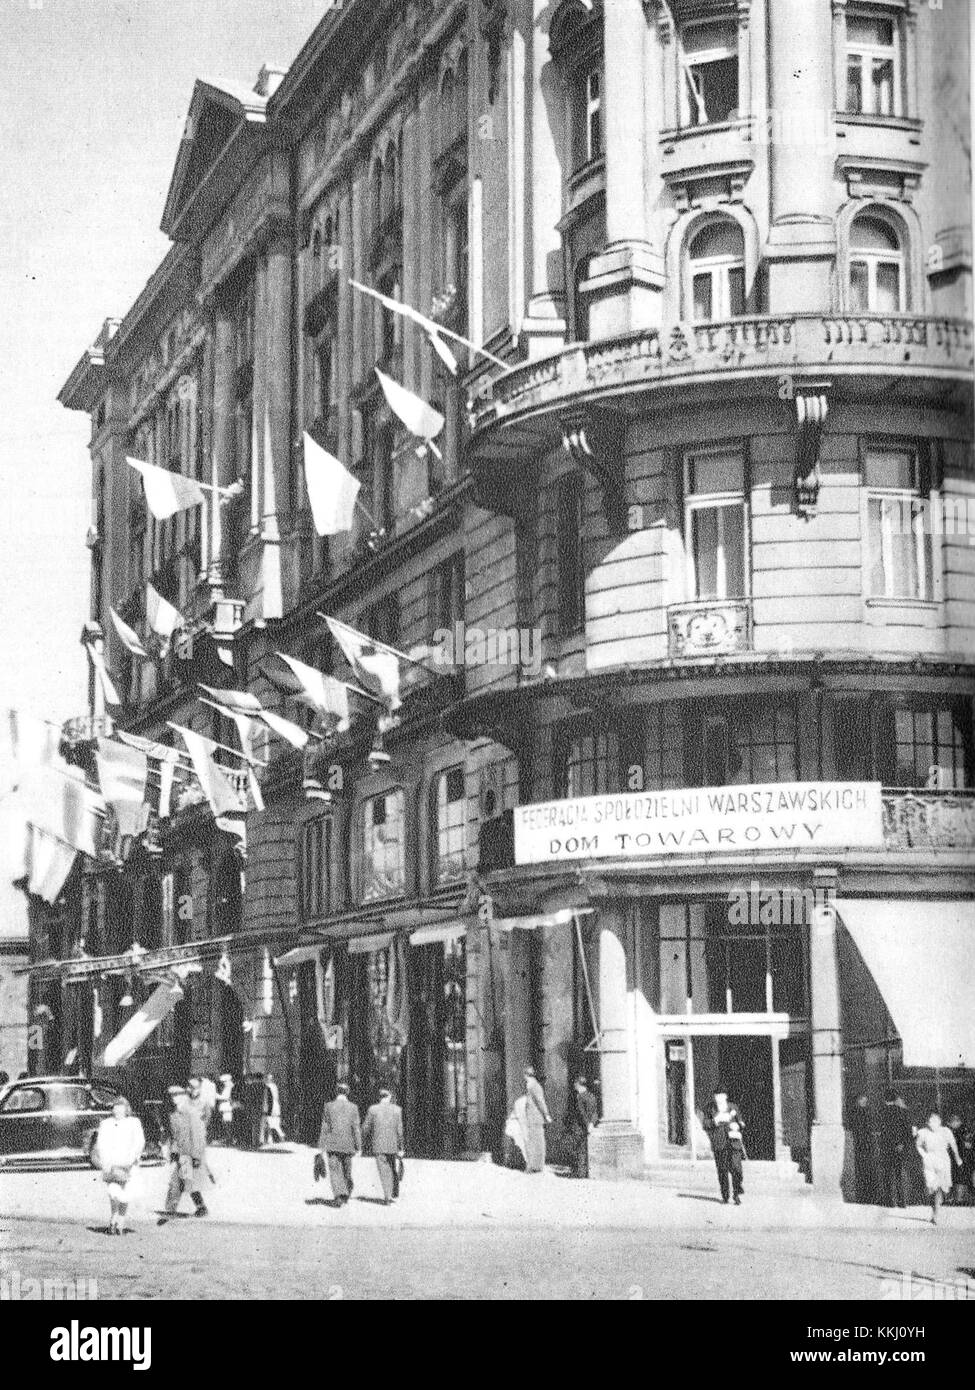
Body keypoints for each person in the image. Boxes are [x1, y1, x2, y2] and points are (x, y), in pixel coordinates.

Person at [94, 1095, 145, 1236]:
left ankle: (121, 1219)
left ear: (126, 1109)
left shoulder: (134, 1123)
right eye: (115, 1108)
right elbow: (101, 1144)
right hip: (112, 1163)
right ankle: (113, 1216)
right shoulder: (106, 1124)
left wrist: (131, 1158)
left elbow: (139, 1142)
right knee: (113, 1192)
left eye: (121, 1108)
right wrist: (105, 1162)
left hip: (128, 1163)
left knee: (126, 1193)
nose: (117, 1111)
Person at [159, 1085, 209, 1224]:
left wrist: (197, 1156)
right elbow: (171, 1134)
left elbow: (198, 1135)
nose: (174, 1099)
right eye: (172, 1096)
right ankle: (200, 1207)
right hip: (179, 1152)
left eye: (177, 1096)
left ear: (184, 1096)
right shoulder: (173, 1113)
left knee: (181, 1181)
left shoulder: (190, 1112)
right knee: (185, 1181)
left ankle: (171, 1210)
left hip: (188, 1153)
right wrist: (167, 1148)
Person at [318, 1082, 361, 1205]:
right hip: (348, 1144)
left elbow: (325, 1126)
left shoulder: (329, 1106)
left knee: (335, 1170)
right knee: (347, 1170)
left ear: (336, 1092)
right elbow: (356, 1128)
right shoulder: (353, 1107)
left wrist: (321, 1145)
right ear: (348, 1092)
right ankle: (346, 1191)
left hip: (333, 1143)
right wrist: (359, 1146)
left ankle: (338, 1195)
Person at [916, 1112, 962, 1226]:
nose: (932, 1124)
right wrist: (924, 1155)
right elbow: (918, 1145)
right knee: (930, 1187)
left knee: (939, 1186)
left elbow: (953, 1144)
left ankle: (936, 1213)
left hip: (942, 1160)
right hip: (929, 1160)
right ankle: (935, 1208)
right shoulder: (923, 1133)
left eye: (935, 1121)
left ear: (939, 1122)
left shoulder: (946, 1131)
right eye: (930, 1121)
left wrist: (957, 1157)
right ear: (927, 1123)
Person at [362, 1088, 404, 1205]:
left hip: (378, 1145)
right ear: (389, 1097)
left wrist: (362, 1142)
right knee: (391, 1168)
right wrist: (401, 1147)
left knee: (383, 1170)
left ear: (379, 1097)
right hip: (393, 1145)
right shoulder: (397, 1110)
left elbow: (366, 1127)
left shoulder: (373, 1109)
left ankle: (387, 1196)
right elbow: (400, 1130)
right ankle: (390, 1193)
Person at [706, 1087, 746, 1205]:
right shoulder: (710, 1108)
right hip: (719, 1143)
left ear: (725, 1096)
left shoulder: (733, 1107)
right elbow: (705, 1124)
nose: (719, 1098)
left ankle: (737, 1192)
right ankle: (725, 1195)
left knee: (737, 1169)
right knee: (722, 1170)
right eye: (716, 1096)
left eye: (721, 1095)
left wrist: (737, 1125)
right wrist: (715, 1120)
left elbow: (741, 1122)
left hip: (733, 1143)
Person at [877, 1088, 914, 1208]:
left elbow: (880, 1130)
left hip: (886, 1146)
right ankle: (902, 1201)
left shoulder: (881, 1112)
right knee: (899, 1173)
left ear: (884, 1099)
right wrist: (902, 1143)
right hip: (899, 1146)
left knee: (887, 1174)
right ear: (895, 1099)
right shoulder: (902, 1112)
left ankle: (890, 1201)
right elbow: (908, 1130)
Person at [564, 1076, 598, 1179]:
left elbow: (581, 1113)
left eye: (575, 1083)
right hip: (588, 1126)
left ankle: (580, 1173)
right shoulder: (591, 1096)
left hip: (579, 1127)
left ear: (579, 1084)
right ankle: (585, 1172)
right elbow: (595, 1112)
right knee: (584, 1148)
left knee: (578, 1149)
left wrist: (587, 1124)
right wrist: (592, 1123)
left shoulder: (579, 1097)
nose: (574, 1085)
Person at [522, 1066, 552, 1174]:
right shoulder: (531, 1085)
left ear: (527, 1075)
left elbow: (540, 1101)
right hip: (532, 1118)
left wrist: (546, 1114)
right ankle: (535, 1165)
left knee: (537, 1142)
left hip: (536, 1118)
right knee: (534, 1142)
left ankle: (536, 1166)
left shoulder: (534, 1086)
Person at [850, 1093, 879, 1205]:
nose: (865, 1103)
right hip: (865, 1145)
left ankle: (864, 1196)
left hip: (861, 1146)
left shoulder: (857, 1112)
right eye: (863, 1101)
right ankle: (867, 1196)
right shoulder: (862, 1112)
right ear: (859, 1100)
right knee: (866, 1171)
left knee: (863, 1171)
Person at [946, 1113, 968, 1205]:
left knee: (959, 1178)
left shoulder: (960, 1131)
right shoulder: (949, 1131)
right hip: (953, 1159)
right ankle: (954, 1198)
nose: (959, 1123)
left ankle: (958, 1198)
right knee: (955, 1177)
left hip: (959, 1158)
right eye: (956, 1121)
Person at [261, 1072, 285, 1146]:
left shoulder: (267, 1086)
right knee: (273, 1122)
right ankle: (272, 1138)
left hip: (270, 1106)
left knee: (269, 1122)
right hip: (276, 1106)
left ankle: (274, 1138)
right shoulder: (275, 1086)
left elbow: (267, 1098)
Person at [216, 1073, 236, 1146]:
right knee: (226, 1124)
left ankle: (229, 1139)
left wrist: (216, 1095)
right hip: (225, 1107)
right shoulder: (227, 1087)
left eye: (224, 1082)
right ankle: (228, 1138)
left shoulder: (229, 1088)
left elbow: (225, 1097)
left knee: (228, 1124)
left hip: (228, 1107)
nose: (223, 1083)